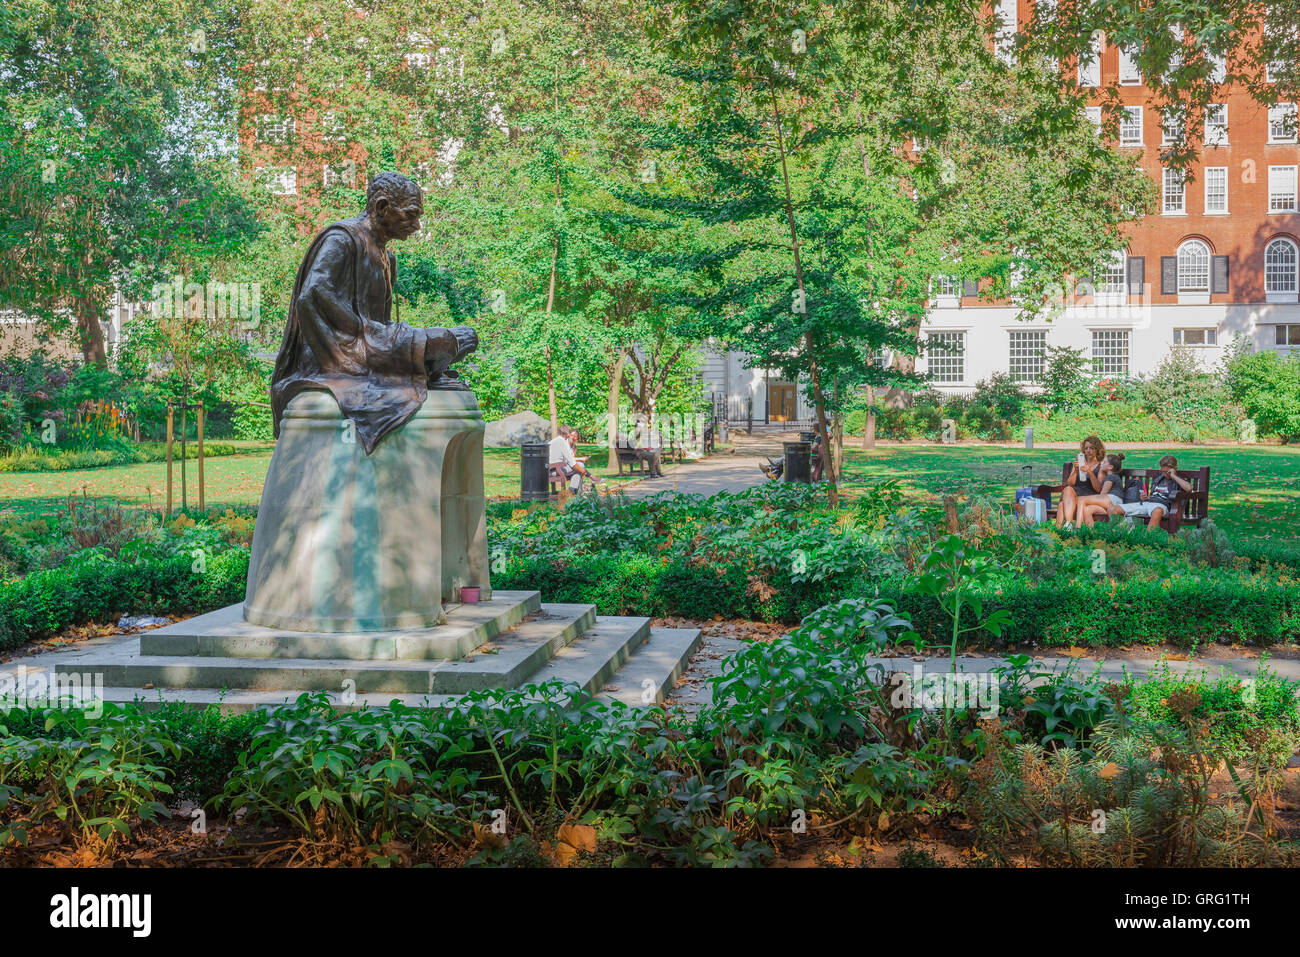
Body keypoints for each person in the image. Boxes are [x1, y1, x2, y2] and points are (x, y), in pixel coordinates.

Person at [1122, 454, 1192, 530]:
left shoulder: (1178, 480)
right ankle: (1114, 538)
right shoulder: (1158, 479)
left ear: (1174, 469)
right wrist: (1145, 498)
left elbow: (1189, 488)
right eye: (1163, 472)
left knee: (1157, 511)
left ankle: (1146, 540)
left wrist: (1174, 476)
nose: (1165, 474)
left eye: (1167, 472)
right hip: (1149, 504)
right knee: (1115, 509)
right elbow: (1154, 496)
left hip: (1163, 507)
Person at [1056, 436, 1106, 528]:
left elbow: (1099, 489)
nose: (1088, 451)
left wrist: (1090, 472)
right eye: (1086, 448)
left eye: (1091, 448)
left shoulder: (1101, 467)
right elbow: (1070, 483)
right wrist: (1075, 470)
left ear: (1097, 450)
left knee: (1061, 505)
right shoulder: (1079, 463)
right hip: (1074, 496)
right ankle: (1068, 524)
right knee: (1067, 489)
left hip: (1088, 498)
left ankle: (1060, 531)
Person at [1077, 453, 1128, 527]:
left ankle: (1078, 527)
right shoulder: (1112, 476)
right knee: (1087, 509)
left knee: (1081, 499)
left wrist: (1092, 500)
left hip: (1113, 500)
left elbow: (1103, 494)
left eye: (1104, 462)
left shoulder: (1111, 477)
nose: (1101, 463)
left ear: (1110, 467)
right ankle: (1090, 533)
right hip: (1112, 504)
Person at [549, 425, 602, 493]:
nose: (571, 436)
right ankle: (574, 491)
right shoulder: (562, 442)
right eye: (570, 434)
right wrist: (583, 471)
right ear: (567, 433)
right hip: (555, 470)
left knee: (577, 471)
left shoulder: (557, 440)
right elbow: (572, 463)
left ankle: (573, 491)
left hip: (552, 468)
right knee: (580, 466)